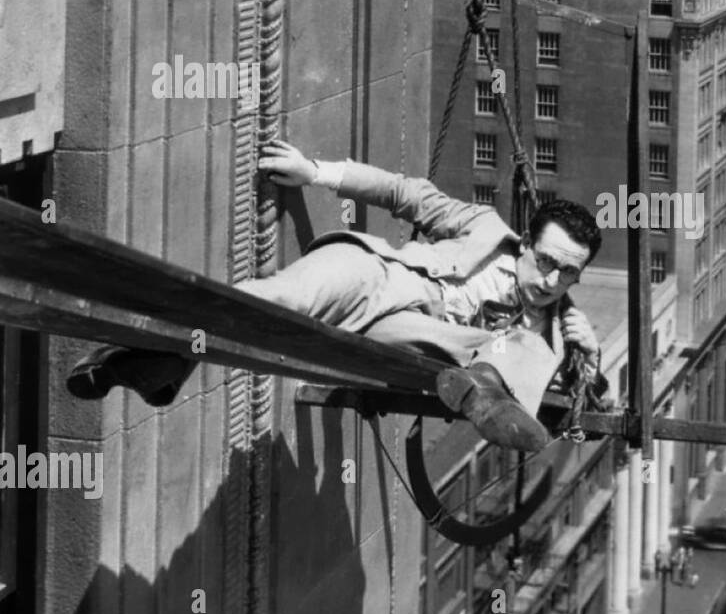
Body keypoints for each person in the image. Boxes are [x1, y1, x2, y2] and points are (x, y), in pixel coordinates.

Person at [66, 139, 606, 454]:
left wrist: (591, 362)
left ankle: (485, 388)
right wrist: (314, 172)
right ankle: (151, 357)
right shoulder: (485, 228)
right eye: (548, 262)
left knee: (529, 351)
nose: (554, 281)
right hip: (377, 276)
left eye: (569, 274)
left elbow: (589, 410)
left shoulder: (555, 332)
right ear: (528, 242)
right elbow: (404, 193)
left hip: (410, 345)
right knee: (273, 299)